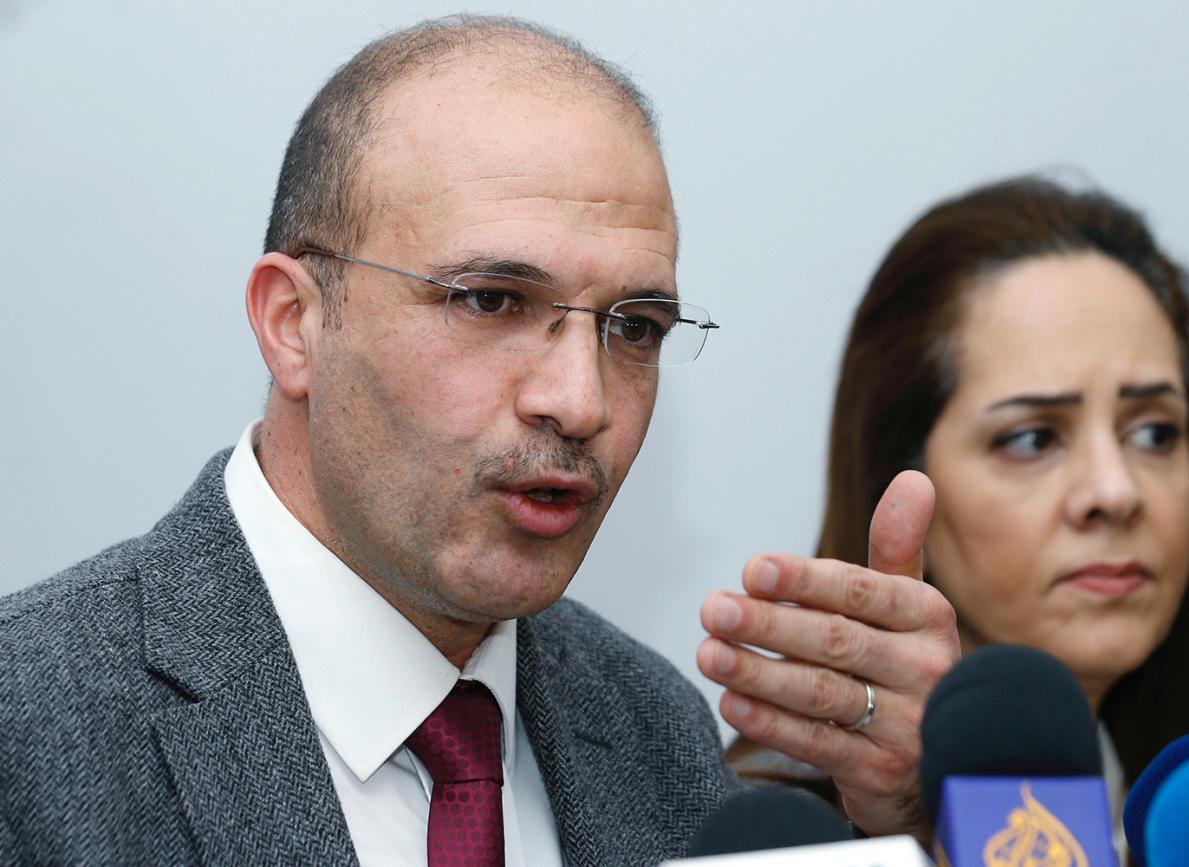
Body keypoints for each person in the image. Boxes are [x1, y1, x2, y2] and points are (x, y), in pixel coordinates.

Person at [0, 15, 959, 865]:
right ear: (294, 321)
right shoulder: (29, 727)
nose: (580, 400)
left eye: (634, 328)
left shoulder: (655, 729)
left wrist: (912, 829)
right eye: (491, 301)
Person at [719, 175, 1189, 861]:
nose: (1115, 491)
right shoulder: (770, 833)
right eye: (1033, 438)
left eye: (1154, 433)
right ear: (899, 479)